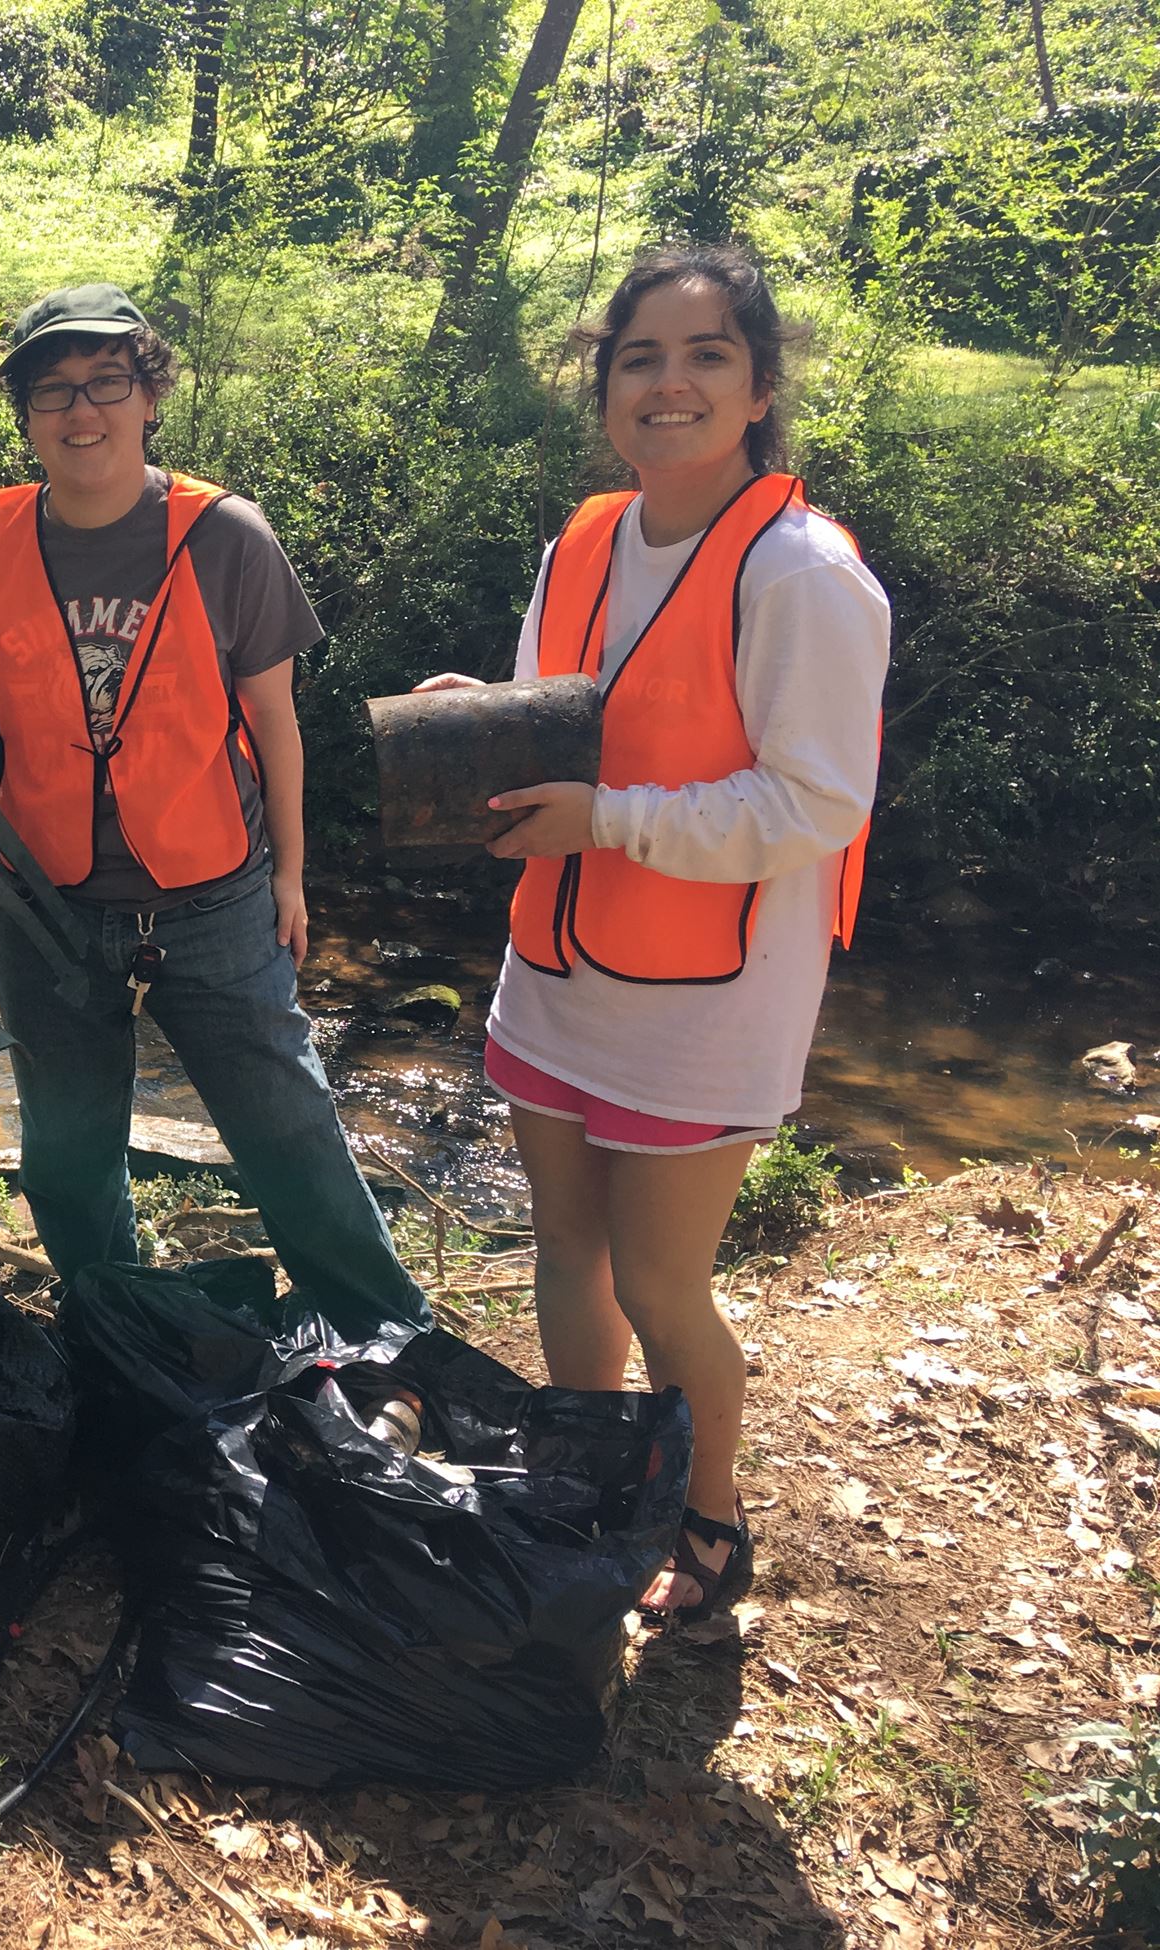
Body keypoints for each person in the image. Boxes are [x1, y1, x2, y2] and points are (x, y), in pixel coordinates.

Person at [416, 242, 889, 1620]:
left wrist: (609, 818)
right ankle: (588, 1476)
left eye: (705, 357)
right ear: (606, 384)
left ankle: (710, 1515)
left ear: (758, 389)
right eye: (641, 357)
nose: (668, 383)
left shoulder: (805, 575)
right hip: (562, 966)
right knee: (567, 1251)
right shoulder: (587, 535)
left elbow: (814, 805)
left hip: (708, 995)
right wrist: (476, 714)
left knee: (664, 1281)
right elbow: (552, 709)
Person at [0, 283, 427, 1341]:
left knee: (284, 1127)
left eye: (106, 381)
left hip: (211, 897)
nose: (80, 410)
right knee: (64, 1148)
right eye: (52, 389)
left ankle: (388, 1336)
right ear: (24, 412)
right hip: (44, 903)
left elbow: (273, 722)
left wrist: (288, 878)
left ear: (149, 395)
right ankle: (116, 1323)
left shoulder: (225, 536)